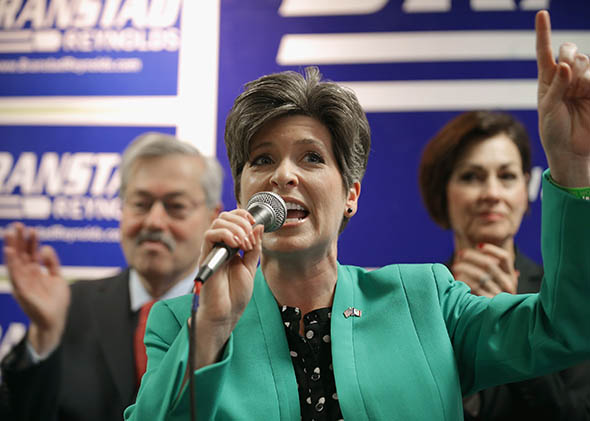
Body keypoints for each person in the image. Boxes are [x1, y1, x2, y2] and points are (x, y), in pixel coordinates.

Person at [125, 11, 590, 420]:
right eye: (262, 160)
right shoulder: (178, 324)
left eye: (311, 158)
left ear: (351, 194)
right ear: (241, 191)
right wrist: (211, 328)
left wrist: (572, 167)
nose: (283, 175)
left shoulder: (426, 301)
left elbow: (564, 328)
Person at [0, 132, 223, 421]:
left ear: (212, 217)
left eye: (175, 206)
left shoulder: (232, 311)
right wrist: (43, 334)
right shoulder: (70, 305)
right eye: (140, 204)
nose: (154, 221)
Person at [419, 110, 590, 420]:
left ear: (526, 190)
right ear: (443, 192)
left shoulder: (565, 300)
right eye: (471, 176)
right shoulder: (419, 304)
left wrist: (516, 326)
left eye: (507, 176)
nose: (492, 194)